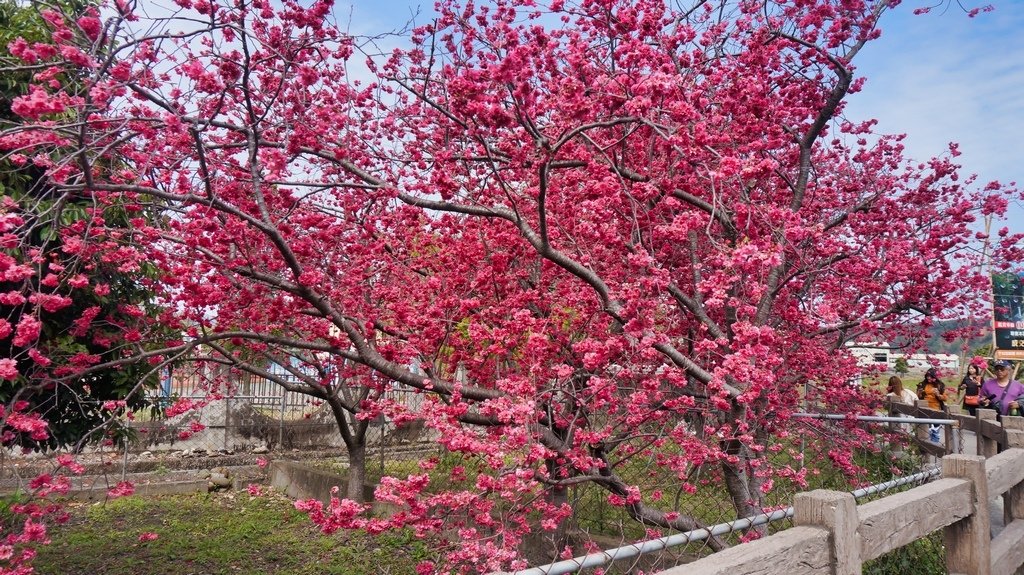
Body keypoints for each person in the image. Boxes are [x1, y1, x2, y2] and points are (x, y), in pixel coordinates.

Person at [917, 368, 947, 442]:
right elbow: (918, 397)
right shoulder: (922, 384)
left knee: (935, 430)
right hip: (924, 408)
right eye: (927, 376)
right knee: (927, 429)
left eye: (930, 376)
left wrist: (938, 395)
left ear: (934, 377)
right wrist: (920, 392)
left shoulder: (940, 385)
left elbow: (945, 398)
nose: (928, 378)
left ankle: (934, 444)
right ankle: (926, 444)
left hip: (936, 409)